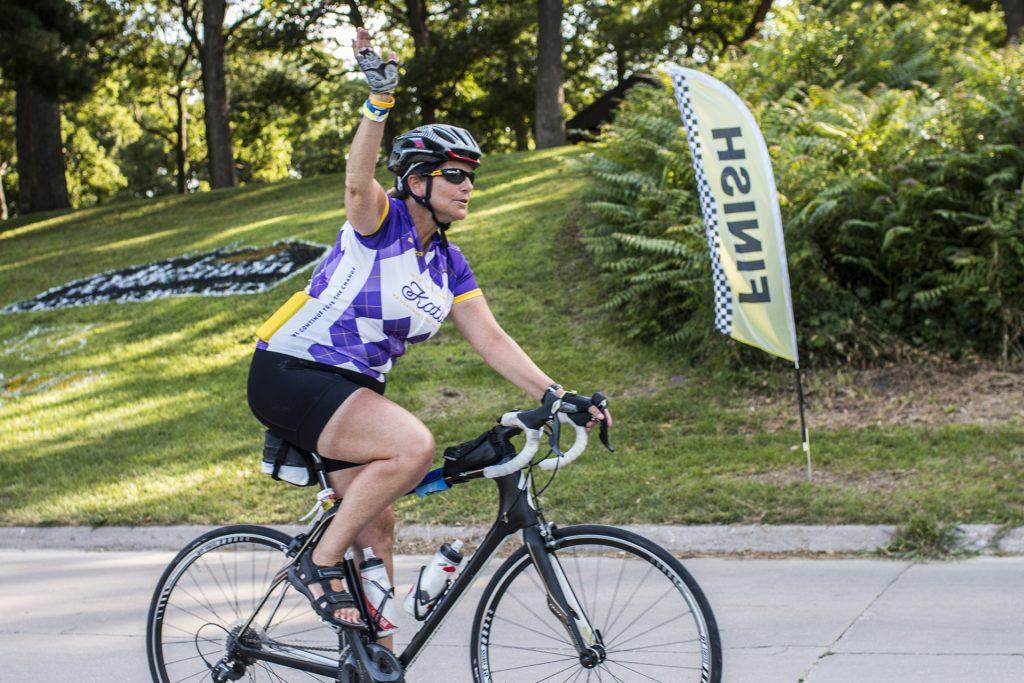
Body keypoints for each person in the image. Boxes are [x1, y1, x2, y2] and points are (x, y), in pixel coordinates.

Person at [246, 28, 610, 641]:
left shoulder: (448, 263)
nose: (468, 185)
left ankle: (373, 662)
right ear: (417, 180)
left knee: (378, 528)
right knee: (412, 448)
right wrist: (378, 103)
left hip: (353, 390)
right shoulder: (378, 220)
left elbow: (490, 338)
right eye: (454, 174)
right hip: (293, 370)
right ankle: (319, 562)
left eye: (471, 175)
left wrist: (556, 393)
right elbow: (357, 181)